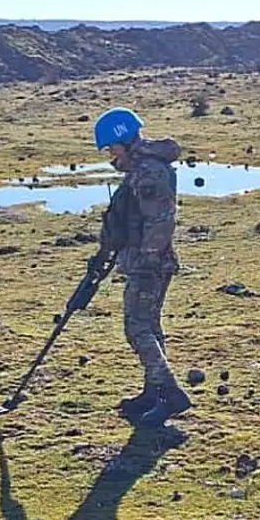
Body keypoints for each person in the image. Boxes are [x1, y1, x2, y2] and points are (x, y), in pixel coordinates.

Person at [87, 107, 191, 428]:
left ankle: (171, 394)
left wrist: (147, 260)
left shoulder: (150, 173)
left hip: (151, 265)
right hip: (142, 262)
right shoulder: (139, 171)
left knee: (138, 328)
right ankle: (153, 392)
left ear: (123, 141)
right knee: (149, 326)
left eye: (111, 148)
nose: (110, 155)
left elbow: (160, 220)